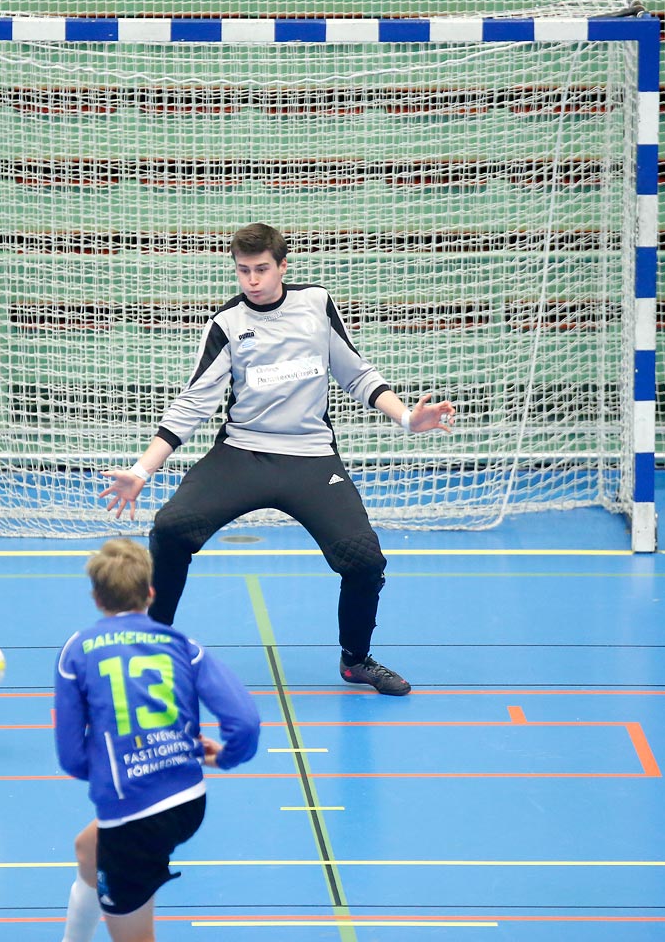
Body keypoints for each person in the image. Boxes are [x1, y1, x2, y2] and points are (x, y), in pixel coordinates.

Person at [99, 223, 456, 697]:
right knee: (170, 529)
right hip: (242, 453)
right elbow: (194, 403)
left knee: (365, 560)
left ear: (282, 266)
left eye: (261, 269)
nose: (252, 280)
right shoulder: (227, 324)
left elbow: (356, 373)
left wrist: (408, 419)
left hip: (310, 458)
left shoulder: (315, 305)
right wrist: (143, 470)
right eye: (243, 271)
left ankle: (356, 660)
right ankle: (154, 649)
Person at [54, 537, 260, 942]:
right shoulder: (183, 646)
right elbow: (246, 723)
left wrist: (119, 771)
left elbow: (71, 757)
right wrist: (223, 758)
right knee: (86, 849)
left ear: (96, 598)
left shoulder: (76, 652)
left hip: (133, 818)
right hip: (188, 801)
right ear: (150, 593)